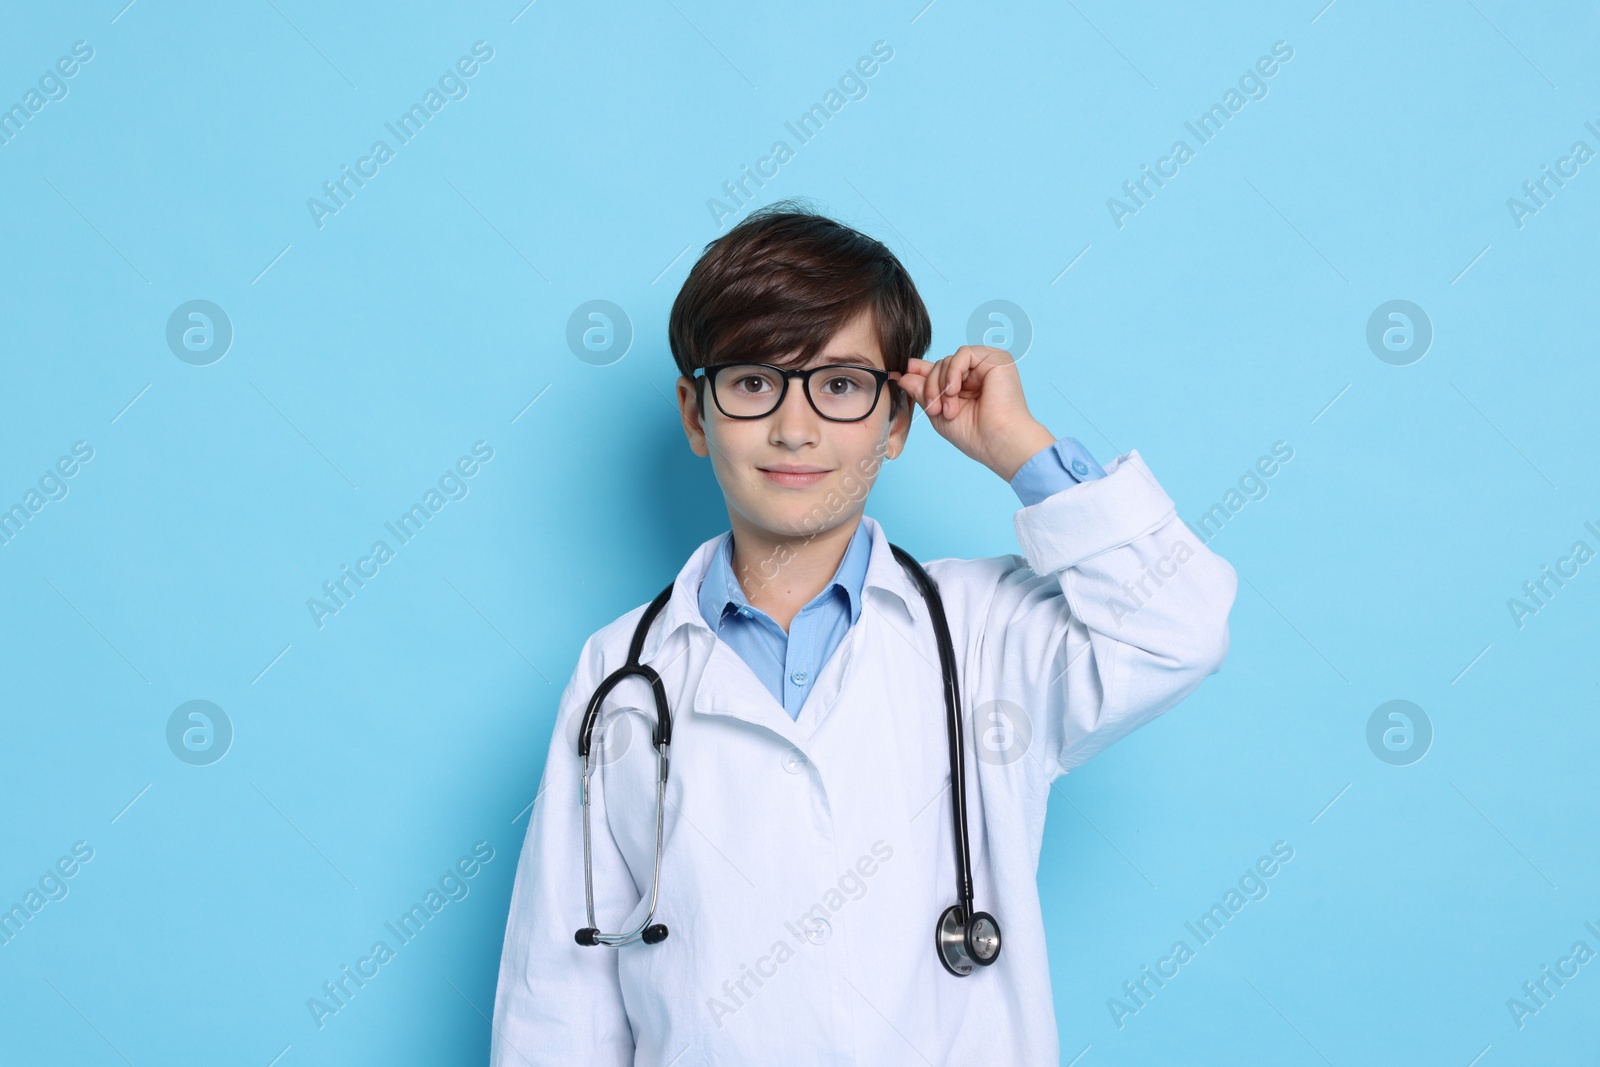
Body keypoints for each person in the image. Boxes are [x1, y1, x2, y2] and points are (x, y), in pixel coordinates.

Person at [489, 202, 1237, 1065]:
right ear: (696, 415)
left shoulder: (987, 630)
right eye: (752, 381)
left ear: (897, 422)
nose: (794, 427)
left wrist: (1020, 449)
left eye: (841, 385)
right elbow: (559, 991)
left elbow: (1180, 627)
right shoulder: (619, 670)